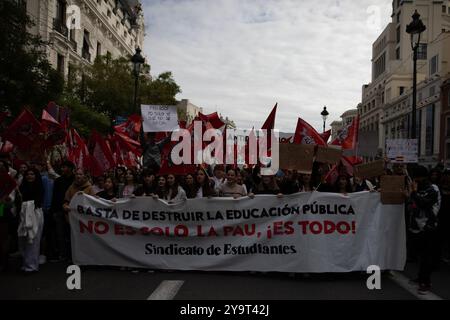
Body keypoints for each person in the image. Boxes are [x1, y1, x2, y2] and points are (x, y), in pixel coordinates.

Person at [408, 166, 441, 294]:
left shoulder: (433, 189)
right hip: (417, 226)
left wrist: (414, 193)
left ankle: (426, 282)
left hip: (429, 226)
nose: (415, 180)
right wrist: (410, 196)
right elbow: (412, 204)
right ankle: (421, 277)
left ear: (421, 177)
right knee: (421, 255)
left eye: (416, 177)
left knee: (428, 256)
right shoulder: (418, 188)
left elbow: (423, 203)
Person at [17, 168, 44, 273]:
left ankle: (32, 266)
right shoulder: (22, 186)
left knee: (33, 240)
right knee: (23, 238)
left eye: (32, 174)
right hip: (24, 214)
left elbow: (38, 201)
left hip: (35, 213)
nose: (30, 176)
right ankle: (26, 263)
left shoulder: (39, 187)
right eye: (28, 174)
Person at [50, 160, 75, 262]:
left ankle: (72, 255)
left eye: (64, 167)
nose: (62, 169)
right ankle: (63, 254)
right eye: (62, 167)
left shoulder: (75, 181)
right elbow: (55, 196)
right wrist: (54, 210)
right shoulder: (58, 181)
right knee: (60, 234)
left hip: (72, 211)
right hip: (59, 211)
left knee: (71, 234)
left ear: (70, 168)